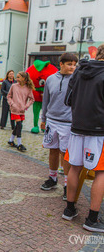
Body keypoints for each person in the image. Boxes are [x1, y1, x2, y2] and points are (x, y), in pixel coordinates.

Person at [62, 45, 104, 233]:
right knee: (101, 173)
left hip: (77, 127)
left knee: (75, 167)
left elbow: (68, 100)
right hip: (99, 130)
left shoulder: (80, 71)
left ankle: (69, 209)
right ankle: (92, 219)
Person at [39, 53, 78, 201]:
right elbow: (46, 101)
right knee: (53, 151)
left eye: (74, 64)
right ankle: (52, 178)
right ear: (61, 64)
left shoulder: (76, 80)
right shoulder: (50, 79)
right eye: (69, 64)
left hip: (68, 123)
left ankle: (67, 185)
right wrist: (43, 118)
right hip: (52, 121)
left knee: (65, 154)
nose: (72, 67)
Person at [7, 71, 35, 152]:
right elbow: (9, 96)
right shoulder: (14, 86)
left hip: (22, 110)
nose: (16, 78)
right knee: (19, 125)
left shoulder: (28, 88)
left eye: (18, 77)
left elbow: (32, 99)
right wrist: (12, 104)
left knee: (18, 126)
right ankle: (19, 144)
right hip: (14, 109)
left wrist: (26, 107)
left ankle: (11, 140)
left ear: (24, 78)